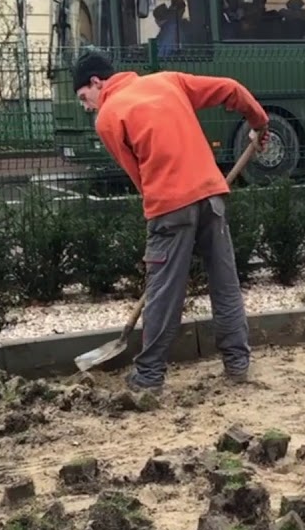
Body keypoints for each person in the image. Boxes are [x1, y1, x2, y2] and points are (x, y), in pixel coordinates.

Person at [72, 51, 269, 393]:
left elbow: (139, 178)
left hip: (169, 206)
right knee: (225, 284)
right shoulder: (169, 81)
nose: (86, 105)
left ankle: (148, 376)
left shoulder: (108, 117)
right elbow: (231, 88)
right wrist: (260, 124)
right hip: (212, 196)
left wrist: (157, 213)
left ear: (96, 82)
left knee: (164, 292)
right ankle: (238, 364)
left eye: (83, 97)